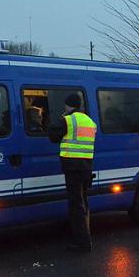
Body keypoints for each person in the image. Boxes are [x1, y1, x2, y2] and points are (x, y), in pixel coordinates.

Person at [49, 93, 97, 251]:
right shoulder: (90, 122)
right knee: (83, 203)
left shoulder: (68, 120)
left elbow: (53, 136)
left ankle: (82, 242)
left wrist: (62, 116)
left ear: (68, 105)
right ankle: (86, 236)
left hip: (72, 168)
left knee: (76, 205)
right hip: (86, 167)